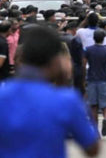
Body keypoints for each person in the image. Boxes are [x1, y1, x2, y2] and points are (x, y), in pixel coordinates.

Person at [0, 26, 100, 157]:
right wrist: (64, 84)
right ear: (55, 60)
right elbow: (92, 148)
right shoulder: (66, 100)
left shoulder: (3, 96)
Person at [83, 29, 106, 136]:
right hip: (104, 78)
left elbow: (83, 64)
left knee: (93, 105)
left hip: (92, 79)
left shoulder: (87, 50)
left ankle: (95, 131)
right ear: (103, 39)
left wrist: (84, 77)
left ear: (94, 38)